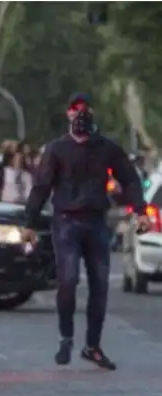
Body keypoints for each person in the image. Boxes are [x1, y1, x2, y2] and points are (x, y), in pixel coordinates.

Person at [22, 93, 148, 370]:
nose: (80, 115)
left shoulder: (107, 149)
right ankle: (66, 337)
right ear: (68, 115)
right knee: (67, 281)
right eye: (75, 110)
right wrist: (29, 223)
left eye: (85, 110)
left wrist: (139, 210)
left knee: (100, 285)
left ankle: (92, 345)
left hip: (96, 221)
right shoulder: (56, 149)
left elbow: (130, 179)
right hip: (66, 221)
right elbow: (41, 187)